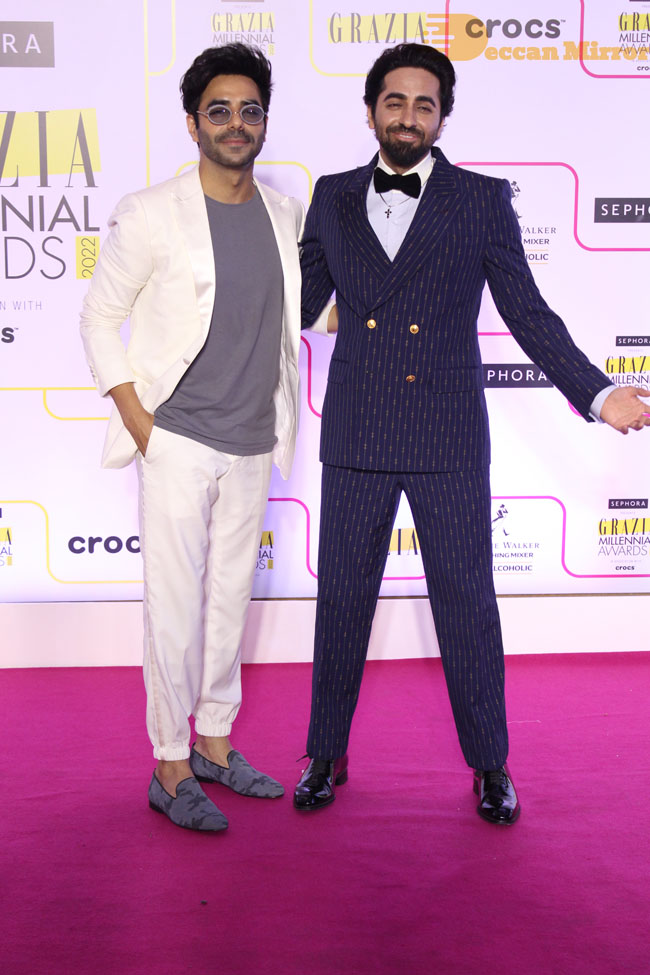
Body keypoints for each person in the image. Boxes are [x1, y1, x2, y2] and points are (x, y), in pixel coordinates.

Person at [294, 42, 650, 825]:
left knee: (466, 602)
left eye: (424, 104)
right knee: (342, 599)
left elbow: (526, 311)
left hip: (446, 430)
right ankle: (325, 751)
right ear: (371, 111)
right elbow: (300, 299)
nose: (408, 116)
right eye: (395, 101)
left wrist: (597, 393)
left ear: (442, 117)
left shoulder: (482, 200)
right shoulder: (332, 194)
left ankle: (490, 763)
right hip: (357, 426)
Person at [81, 43, 304, 832]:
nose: (236, 123)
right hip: (177, 437)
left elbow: (300, 312)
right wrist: (141, 423)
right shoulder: (151, 212)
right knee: (174, 607)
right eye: (219, 110)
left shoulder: (284, 213)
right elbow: (98, 319)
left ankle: (214, 740)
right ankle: (170, 763)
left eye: (249, 110)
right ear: (192, 123)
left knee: (231, 599)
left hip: (254, 439)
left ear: (263, 121)